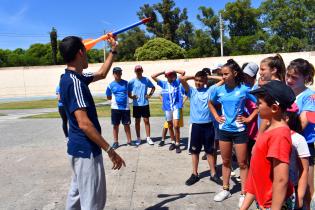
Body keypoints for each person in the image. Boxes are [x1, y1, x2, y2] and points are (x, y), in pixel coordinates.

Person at [59, 35, 125, 210]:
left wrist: (113, 50)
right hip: (86, 150)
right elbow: (84, 124)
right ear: (81, 52)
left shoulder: (75, 77)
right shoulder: (75, 83)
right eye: (86, 51)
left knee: (77, 197)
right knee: (93, 202)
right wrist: (110, 150)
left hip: (77, 150)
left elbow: (102, 73)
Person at [209, 59, 258, 207]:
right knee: (225, 161)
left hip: (240, 131)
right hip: (224, 130)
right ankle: (226, 189)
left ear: (234, 73)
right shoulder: (219, 90)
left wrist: (249, 118)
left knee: (243, 163)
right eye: (222, 74)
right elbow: (210, 103)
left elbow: (259, 104)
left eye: (226, 74)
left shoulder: (244, 89)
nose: (223, 77)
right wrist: (217, 117)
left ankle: (244, 192)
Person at [240, 80, 296, 210]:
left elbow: (281, 180)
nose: (256, 105)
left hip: (274, 205)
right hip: (263, 202)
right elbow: (256, 174)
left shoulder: (279, 135)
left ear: (274, 108)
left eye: (259, 103)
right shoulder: (268, 130)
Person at [180, 71, 222, 186]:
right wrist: (194, 76)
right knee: (195, 151)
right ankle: (194, 174)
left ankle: (213, 174)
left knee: (210, 150)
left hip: (209, 125)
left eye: (201, 81)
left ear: (205, 82)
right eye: (196, 80)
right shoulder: (191, 91)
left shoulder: (210, 90)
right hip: (196, 126)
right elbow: (181, 79)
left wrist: (207, 76)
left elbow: (222, 79)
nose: (198, 83)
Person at [285, 58, 315, 210]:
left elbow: (302, 124)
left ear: (306, 78)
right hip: (285, 143)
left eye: (294, 77)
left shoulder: (311, 97)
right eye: (287, 75)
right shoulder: (285, 92)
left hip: (304, 147)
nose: (289, 80)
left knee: (306, 190)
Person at [151, 70, 185, 153]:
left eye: (172, 75)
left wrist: (174, 70)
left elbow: (183, 72)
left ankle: (177, 144)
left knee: (176, 125)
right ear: (166, 76)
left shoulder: (177, 82)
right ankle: (173, 142)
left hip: (176, 106)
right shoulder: (163, 84)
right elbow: (153, 76)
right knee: (169, 125)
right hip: (167, 107)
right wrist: (162, 72)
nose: (170, 76)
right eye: (169, 75)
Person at [286, 103, 310, 209]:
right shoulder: (270, 134)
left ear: (286, 117)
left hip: (291, 189)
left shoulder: (298, 139)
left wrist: (300, 196)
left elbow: (304, 170)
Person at [106, 67, 133, 149]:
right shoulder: (110, 85)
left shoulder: (126, 83)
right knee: (115, 125)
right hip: (115, 108)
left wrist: (133, 97)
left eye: (119, 72)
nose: (118, 74)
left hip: (125, 108)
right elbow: (108, 97)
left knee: (127, 125)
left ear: (121, 73)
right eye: (116, 73)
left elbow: (129, 94)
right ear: (113, 74)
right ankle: (115, 142)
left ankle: (129, 141)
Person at [128, 65, 156, 146]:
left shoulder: (146, 80)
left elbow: (153, 87)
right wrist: (131, 96)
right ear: (135, 71)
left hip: (145, 103)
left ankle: (148, 138)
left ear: (142, 71)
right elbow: (128, 91)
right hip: (136, 105)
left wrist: (149, 95)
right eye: (137, 70)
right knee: (137, 122)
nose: (138, 72)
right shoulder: (132, 81)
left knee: (146, 121)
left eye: (140, 70)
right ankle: (138, 138)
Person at [241, 62, 259, 163]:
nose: (245, 77)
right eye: (244, 75)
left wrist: (249, 118)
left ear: (253, 76)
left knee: (254, 157)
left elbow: (259, 105)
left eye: (247, 75)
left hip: (256, 128)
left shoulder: (257, 88)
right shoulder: (244, 87)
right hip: (247, 129)